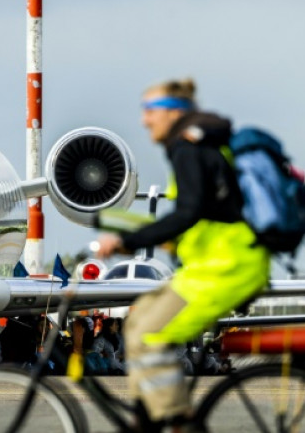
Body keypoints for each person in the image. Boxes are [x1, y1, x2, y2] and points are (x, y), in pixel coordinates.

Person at [95, 78, 270, 429]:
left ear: (174, 113)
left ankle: (176, 421)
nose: (145, 120)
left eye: (150, 110)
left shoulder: (186, 147)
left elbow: (187, 212)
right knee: (140, 318)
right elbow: (204, 215)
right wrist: (162, 238)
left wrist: (130, 240)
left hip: (227, 268)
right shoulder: (203, 146)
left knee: (148, 334)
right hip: (215, 264)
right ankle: (159, 414)